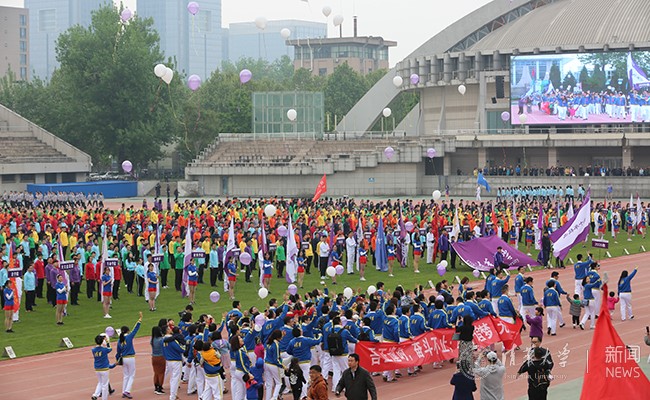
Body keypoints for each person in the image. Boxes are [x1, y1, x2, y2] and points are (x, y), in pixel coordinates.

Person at [116, 312, 143, 399]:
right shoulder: (129, 336)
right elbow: (135, 329)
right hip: (130, 358)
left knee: (126, 375)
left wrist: (117, 360)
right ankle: (127, 391)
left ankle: (123, 391)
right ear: (127, 331)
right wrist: (140, 320)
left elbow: (118, 352)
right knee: (132, 375)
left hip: (123, 358)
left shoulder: (119, 340)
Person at [91, 334, 116, 400]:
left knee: (100, 382)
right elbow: (110, 348)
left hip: (97, 368)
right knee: (105, 385)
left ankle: (95, 394)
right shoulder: (104, 350)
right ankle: (104, 398)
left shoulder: (93, 350)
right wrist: (107, 341)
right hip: (104, 369)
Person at [150, 326, 166, 395]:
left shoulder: (152, 339)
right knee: (161, 373)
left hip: (154, 357)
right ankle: (159, 387)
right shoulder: (161, 339)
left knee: (156, 372)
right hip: (161, 357)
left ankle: (156, 386)